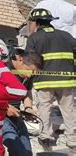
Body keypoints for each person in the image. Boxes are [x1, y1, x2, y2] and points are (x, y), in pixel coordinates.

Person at [25, 8, 76, 151]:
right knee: (68, 110)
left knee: (44, 108)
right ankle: (72, 140)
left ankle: (46, 137)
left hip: (45, 80)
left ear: (36, 23)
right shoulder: (66, 35)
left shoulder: (34, 38)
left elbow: (30, 61)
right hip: (66, 79)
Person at [2, 50, 42, 156]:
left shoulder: (27, 74)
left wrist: (28, 107)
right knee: (18, 151)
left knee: (27, 152)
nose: (30, 76)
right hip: (0, 116)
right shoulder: (2, 69)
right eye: (28, 70)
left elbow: (27, 91)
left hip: (17, 114)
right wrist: (5, 107)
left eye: (33, 73)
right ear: (20, 60)